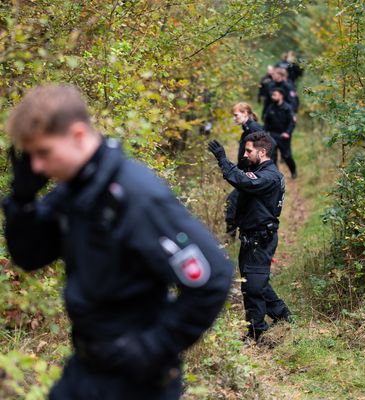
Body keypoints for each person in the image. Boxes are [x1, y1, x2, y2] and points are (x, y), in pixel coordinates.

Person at [2, 84, 233, 400]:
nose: (38, 166)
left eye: (43, 152)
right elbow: (30, 256)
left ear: (78, 135)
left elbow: (213, 276)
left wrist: (152, 348)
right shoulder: (75, 191)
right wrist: (23, 202)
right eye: (32, 156)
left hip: (137, 381)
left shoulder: (137, 196)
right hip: (86, 369)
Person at [208, 132, 291, 342]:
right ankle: (283, 315)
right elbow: (242, 186)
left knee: (253, 287)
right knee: (256, 282)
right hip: (251, 238)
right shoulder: (260, 171)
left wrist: (223, 160)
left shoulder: (269, 176)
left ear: (262, 152)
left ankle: (257, 333)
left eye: (249, 151)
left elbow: (245, 181)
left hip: (260, 239)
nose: (245, 154)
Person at [225, 103, 276, 237]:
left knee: (232, 202)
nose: (234, 118)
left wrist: (259, 169)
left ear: (246, 113)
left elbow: (271, 144)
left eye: (236, 115)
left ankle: (230, 239)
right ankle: (237, 236)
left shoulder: (254, 128)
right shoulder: (247, 128)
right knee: (238, 203)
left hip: (253, 175)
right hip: (248, 174)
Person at [264, 88, 297, 179]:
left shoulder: (287, 108)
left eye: (275, 95)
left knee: (287, 156)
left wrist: (287, 132)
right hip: (273, 135)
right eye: (272, 95)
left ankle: (293, 172)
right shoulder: (271, 107)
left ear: (281, 96)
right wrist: (264, 133)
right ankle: (276, 175)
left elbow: (292, 122)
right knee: (272, 156)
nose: (272, 97)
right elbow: (266, 122)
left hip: (284, 136)